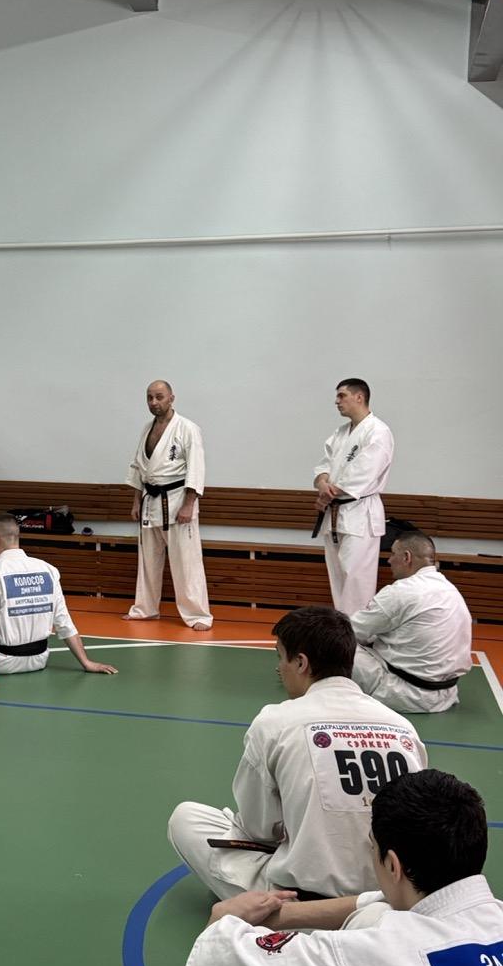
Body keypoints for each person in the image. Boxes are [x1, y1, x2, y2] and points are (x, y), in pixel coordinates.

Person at [107, 769, 503, 966]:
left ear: (393, 864)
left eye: (372, 848)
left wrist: (228, 916)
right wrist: (284, 916)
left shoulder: (383, 954)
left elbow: (217, 962)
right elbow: (376, 903)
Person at [167, 606, 426, 901]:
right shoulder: (402, 727)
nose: (279, 668)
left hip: (300, 905)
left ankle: (281, 913)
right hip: (389, 899)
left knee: (186, 819)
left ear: (301, 662)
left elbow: (258, 830)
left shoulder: (275, 722)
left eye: (281, 657)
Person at [0, 514, 118, 690]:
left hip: (0, 662)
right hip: (39, 659)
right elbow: (64, 622)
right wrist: (86, 662)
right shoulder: (48, 569)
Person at [350, 530, 472, 713]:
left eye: (393, 554)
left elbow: (351, 631)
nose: (389, 560)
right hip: (445, 694)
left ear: (407, 557)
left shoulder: (400, 591)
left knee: (330, 641)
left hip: (405, 693)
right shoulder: (450, 590)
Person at [124, 381, 212, 630]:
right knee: (148, 560)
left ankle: (198, 615)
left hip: (176, 501)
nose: (154, 402)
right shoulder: (147, 428)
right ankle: (145, 609)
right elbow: (139, 467)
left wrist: (188, 505)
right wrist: (136, 501)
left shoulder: (187, 428)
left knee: (186, 562)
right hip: (150, 502)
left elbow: (196, 468)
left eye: (159, 397)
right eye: (149, 397)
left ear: (171, 398)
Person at [313, 378, 394, 615]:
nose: (336, 401)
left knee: (357, 579)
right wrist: (322, 483)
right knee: (338, 577)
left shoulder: (378, 432)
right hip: (335, 513)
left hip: (360, 512)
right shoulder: (340, 433)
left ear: (359, 397)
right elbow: (323, 466)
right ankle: (342, 628)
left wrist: (328, 494)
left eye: (342, 396)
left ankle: (356, 631)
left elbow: (364, 473)